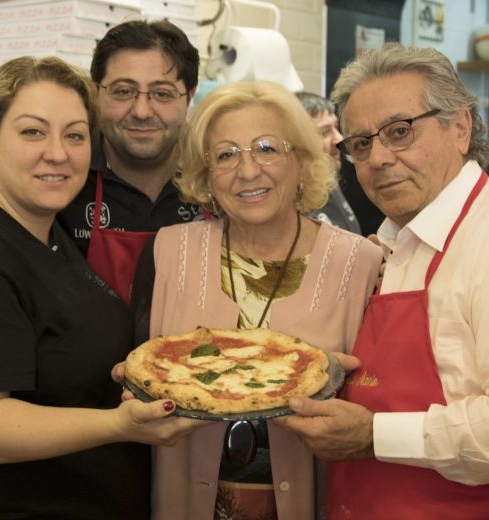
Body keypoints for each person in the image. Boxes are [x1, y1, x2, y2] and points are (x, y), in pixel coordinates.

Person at [131, 80, 382, 520]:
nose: (247, 171)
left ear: (301, 159)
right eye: (226, 155)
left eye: (266, 148)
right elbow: (139, 374)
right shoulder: (165, 251)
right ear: (207, 176)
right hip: (183, 499)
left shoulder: (362, 263)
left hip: (315, 497)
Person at [0, 56, 200, 519]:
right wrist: (118, 425)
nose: (57, 153)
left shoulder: (47, 233)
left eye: (74, 135)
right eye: (33, 132)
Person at [275, 42, 489, 519]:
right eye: (362, 144)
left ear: (461, 127)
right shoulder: (389, 246)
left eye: (399, 131)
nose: (379, 159)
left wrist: (373, 435)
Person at [58, 19, 201, 303]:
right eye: (123, 91)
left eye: (162, 93)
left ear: (190, 97)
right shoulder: (61, 174)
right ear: (96, 92)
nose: (142, 111)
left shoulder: (217, 179)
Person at [295, 91, 361, 233]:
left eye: (336, 127)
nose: (338, 138)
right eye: (324, 132)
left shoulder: (329, 180)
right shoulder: (291, 203)